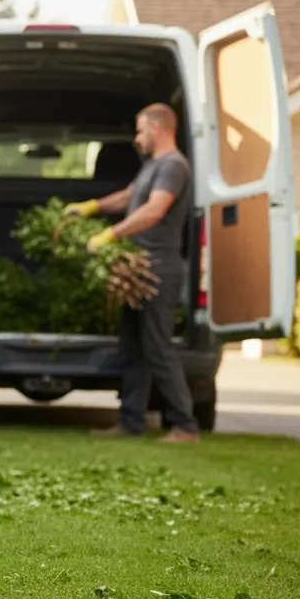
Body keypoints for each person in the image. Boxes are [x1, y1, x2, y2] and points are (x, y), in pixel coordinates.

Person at [63, 102, 200, 443]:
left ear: (156, 128)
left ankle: (185, 425)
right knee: (134, 348)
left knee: (158, 348)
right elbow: (131, 197)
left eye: (140, 130)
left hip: (158, 269)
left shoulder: (173, 166)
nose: (137, 138)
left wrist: (112, 234)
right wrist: (93, 208)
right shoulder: (154, 166)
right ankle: (131, 421)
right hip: (139, 267)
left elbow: (154, 210)